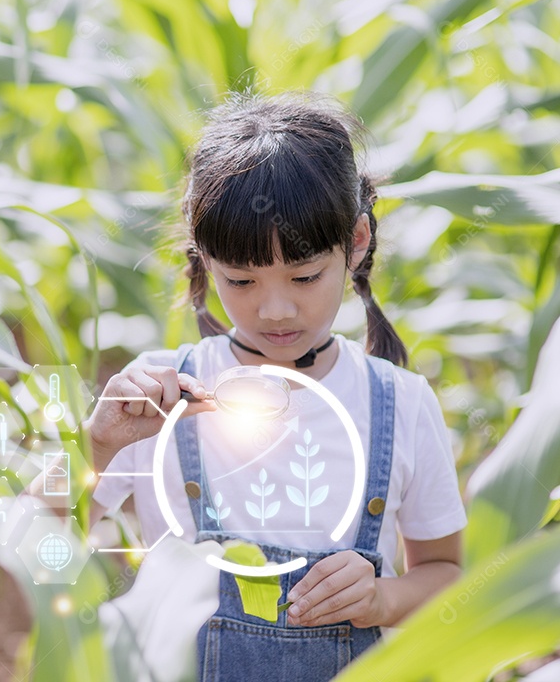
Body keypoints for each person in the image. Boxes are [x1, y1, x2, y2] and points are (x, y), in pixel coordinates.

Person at [86, 93, 466, 681]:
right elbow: (41, 557)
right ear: (205, 257)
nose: (276, 308)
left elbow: (447, 576)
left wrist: (382, 600)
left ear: (357, 243)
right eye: (241, 279)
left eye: (306, 275)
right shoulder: (154, 397)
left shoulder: (402, 404)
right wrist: (97, 448)